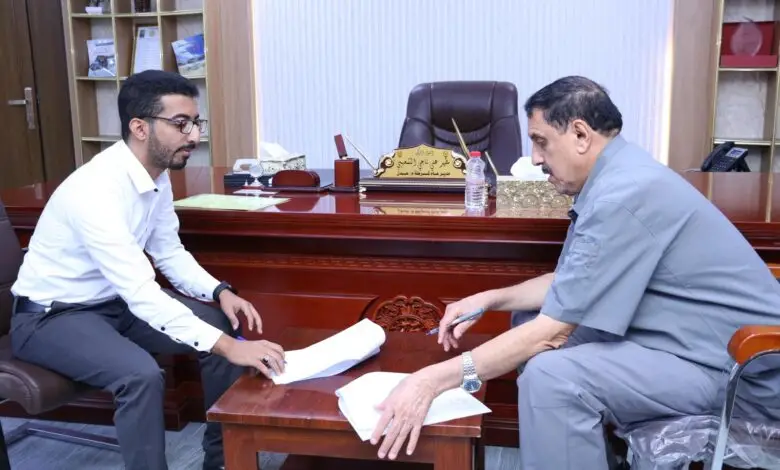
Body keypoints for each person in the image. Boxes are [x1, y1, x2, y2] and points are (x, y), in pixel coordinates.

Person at [368, 76, 780, 469]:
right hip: (697, 348)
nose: (535, 158)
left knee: (552, 376)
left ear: (580, 134)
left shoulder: (623, 195)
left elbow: (552, 331)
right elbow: (574, 283)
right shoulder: (618, 177)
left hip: (743, 372)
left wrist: (431, 381)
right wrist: (490, 298)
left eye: (541, 142)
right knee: (527, 322)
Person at [10, 70, 286, 470]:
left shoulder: (156, 174)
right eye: (181, 124)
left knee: (217, 324)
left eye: (196, 122)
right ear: (140, 128)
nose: (194, 136)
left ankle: (223, 460)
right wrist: (230, 347)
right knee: (140, 375)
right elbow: (141, 291)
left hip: (113, 304)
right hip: (51, 318)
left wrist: (219, 291)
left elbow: (168, 252)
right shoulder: (95, 191)